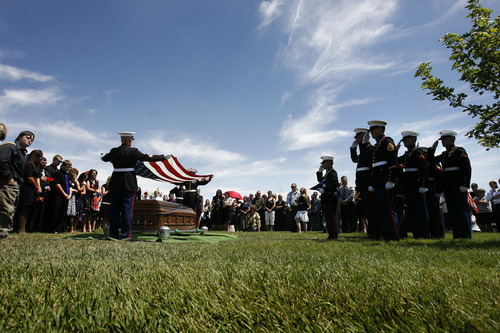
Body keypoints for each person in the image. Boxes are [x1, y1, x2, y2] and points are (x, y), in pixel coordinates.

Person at [101, 132, 166, 239]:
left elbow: (104, 158)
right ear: (130, 140)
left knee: (114, 211)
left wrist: (102, 156)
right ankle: (125, 236)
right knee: (127, 211)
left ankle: (113, 235)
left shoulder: (114, 151)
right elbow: (148, 158)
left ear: (122, 140)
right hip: (128, 183)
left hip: (115, 184)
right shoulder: (133, 151)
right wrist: (163, 157)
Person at [429, 130, 472, 239]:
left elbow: (466, 168)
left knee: (461, 210)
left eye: (445, 139)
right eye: (442, 140)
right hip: (448, 185)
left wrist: (465, 184)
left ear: (452, 140)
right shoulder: (444, 154)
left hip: (458, 185)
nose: (443, 142)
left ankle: (465, 234)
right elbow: (431, 160)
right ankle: (457, 234)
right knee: (452, 211)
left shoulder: (459, 151)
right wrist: (432, 150)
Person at [366, 120, 400, 241]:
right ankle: (385, 233)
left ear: (381, 129)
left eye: (373, 130)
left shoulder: (387, 142)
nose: (371, 133)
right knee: (380, 210)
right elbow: (374, 167)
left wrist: (391, 179)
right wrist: (372, 183)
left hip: (385, 181)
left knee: (389, 210)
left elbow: (392, 162)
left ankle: (393, 235)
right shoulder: (377, 145)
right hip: (378, 182)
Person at [0, 131, 35, 237]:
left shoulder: (23, 153)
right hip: (8, 182)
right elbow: (2, 161)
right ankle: (2, 233)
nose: (30, 140)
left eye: (32, 140)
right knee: (6, 208)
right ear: (20, 137)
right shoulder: (11, 147)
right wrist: (9, 178)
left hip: (16, 183)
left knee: (11, 208)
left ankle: (4, 232)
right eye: (27, 137)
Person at [398, 131, 430, 239]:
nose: (404, 143)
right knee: (412, 210)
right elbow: (397, 161)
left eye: (406, 140)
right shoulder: (408, 153)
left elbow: (424, 169)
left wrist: (423, 184)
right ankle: (417, 232)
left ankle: (423, 233)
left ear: (412, 140)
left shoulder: (418, 152)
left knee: (420, 211)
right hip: (409, 185)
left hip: (417, 185)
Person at [350, 127, 374, 236]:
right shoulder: (363, 148)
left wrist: (371, 183)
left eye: (358, 136)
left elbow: (370, 166)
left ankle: (373, 230)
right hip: (362, 183)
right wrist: (353, 149)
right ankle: (371, 231)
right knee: (367, 208)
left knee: (371, 208)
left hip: (367, 182)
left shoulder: (369, 148)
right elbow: (355, 159)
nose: (356, 138)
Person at [313, 156, 339, 240]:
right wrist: (319, 172)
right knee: (328, 218)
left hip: (330, 197)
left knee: (331, 217)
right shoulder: (327, 173)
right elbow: (320, 180)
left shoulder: (332, 172)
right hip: (327, 198)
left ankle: (334, 235)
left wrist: (325, 189)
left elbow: (333, 184)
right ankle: (331, 234)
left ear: (329, 163)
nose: (323, 164)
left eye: (324, 163)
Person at [47, 160, 73, 233]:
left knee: (63, 213)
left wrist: (69, 194)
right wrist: (64, 193)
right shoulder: (57, 173)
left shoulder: (69, 175)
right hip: (58, 195)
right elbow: (57, 184)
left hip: (67, 196)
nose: (68, 169)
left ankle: (60, 229)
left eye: (70, 167)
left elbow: (70, 185)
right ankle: (53, 229)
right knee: (56, 212)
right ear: (63, 166)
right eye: (67, 167)